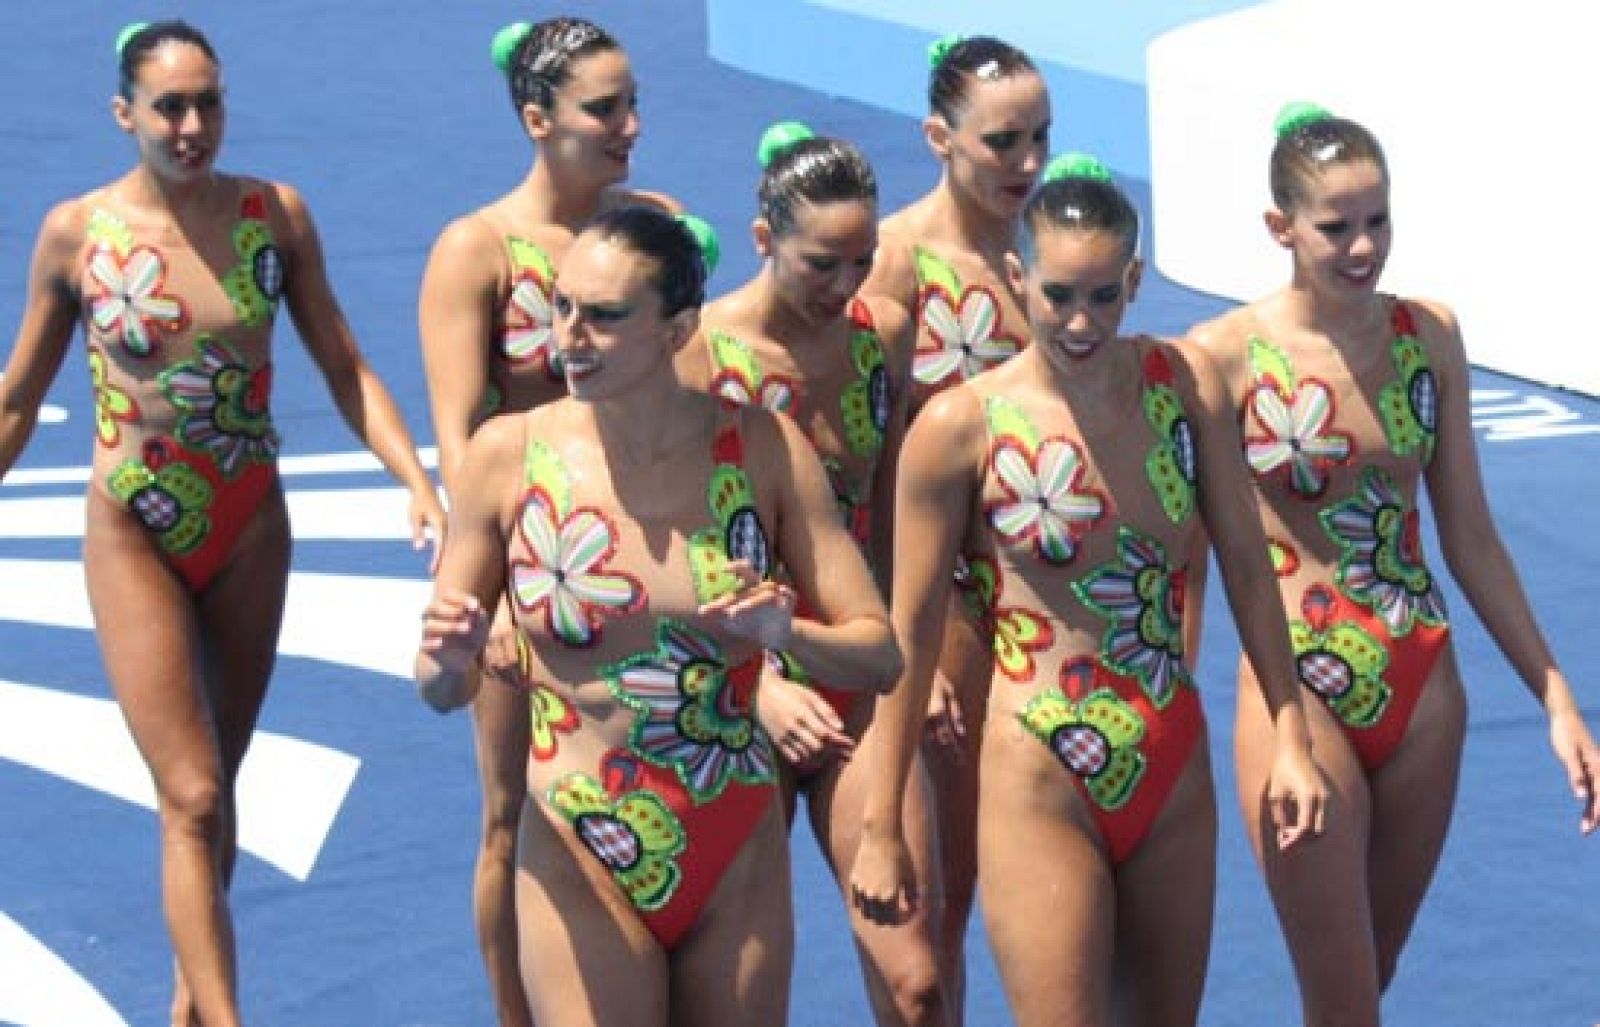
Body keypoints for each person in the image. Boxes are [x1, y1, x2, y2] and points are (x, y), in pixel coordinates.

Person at [0, 21, 445, 1025]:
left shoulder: (273, 216)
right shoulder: (79, 233)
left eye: (208, 102)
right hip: (135, 533)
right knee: (192, 792)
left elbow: (342, 362)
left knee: (216, 787)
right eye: (169, 106)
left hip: (250, 529)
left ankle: (191, 1005)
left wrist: (413, 478)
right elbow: (19, 398)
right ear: (125, 115)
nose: (193, 124)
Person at [852, 155, 1327, 1025]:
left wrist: (1292, 734)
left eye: (1104, 296)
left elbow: (1251, 570)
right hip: (1039, 771)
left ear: (1135, 280)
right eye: (1058, 294)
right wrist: (883, 821)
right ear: (1014, 277)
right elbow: (909, 634)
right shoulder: (960, 427)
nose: (1080, 320)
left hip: (1171, 764)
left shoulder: (1185, 387)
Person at [415, 206, 903, 1026]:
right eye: (562, 307)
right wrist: (449, 657)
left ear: (679, 330)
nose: (569, 334)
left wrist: (791, 636)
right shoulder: (507, 456)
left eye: (604, 316)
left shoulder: (764, 450)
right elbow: (437, 686)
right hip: (576, 837)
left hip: (732, 845)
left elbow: (878, 654)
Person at [1188, 102, 1600, 1024]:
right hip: (1297, 690)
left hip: (1424, 690)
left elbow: (1472, 535)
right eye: (1336, 226)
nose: (1364, 245)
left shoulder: (1429, 335)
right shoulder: (1219, 360)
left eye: (1378, 221)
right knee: (1343, 1002)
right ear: (1279, 227)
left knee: (1370, 974)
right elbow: (1173, 543)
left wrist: (1556, 695)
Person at [415, 18, 680, 1024]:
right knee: (510, 816)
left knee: (646, 793)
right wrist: (489, 601)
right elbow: (460, 439)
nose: (630, 125)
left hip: (644, 575)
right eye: (603, 108)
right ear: (537, 119)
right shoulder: (476, 249)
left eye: (630, 101)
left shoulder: (652, 223)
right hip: (532, 580)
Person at [675, 121, 942, 1024]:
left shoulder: (887, 334)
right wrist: (756, 687)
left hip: (855, 677)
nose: (844, 285)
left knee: (917, 979)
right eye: (819, 262)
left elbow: (896, 512)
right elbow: (667, 537)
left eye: (861, 260)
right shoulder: (700, 356)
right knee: (739, 996)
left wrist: (914, 651)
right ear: (762, 242)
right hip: (728, 690)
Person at [856, 34, 1050, 1008]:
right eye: (1002, 141)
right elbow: (855, 471)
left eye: (1041, 140)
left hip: (1015, 613)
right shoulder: (891, 266)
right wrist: (907, 646)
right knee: (916, 940)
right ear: (938, 137)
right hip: (923, 615)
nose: (1027, 164)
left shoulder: (1031, 266)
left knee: (965, 902)